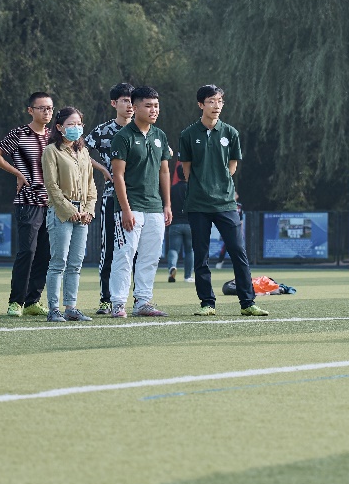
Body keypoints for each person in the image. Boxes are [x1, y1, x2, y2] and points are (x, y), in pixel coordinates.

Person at [179, 85, 267, 316]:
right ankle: (207, 303)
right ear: (201, 105)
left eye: (219, 101)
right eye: (211, 101)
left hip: (226, 203)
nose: (216, 105)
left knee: (238, 251)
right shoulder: (188, 135)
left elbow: (232, 167)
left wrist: (219, 184)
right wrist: (203, 185)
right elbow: (187, 171)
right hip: (198, 204)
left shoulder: (231, 133)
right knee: (201, 255)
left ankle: (247, 303)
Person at [0, 91, 55, 318]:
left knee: (45, 253)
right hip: (28, 201)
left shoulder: (54, 136)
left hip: (52, 203)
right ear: (30, 110)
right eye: (42, 108)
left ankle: (32, 301)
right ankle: (16, 301)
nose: (46, 112)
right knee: (27, 251)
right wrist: (17, 172)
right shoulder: (19, 134)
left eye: (50, 108)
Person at [107, 86, 172, 318]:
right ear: (135, 108)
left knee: (150, 257)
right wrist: (125, 209)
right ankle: (118, 303)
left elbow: (164, 172)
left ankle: (143, 302)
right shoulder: (123, 137)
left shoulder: (160, 135)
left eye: (156, 105)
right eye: (148, 105)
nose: (154, 110)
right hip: (130, 207)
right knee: (124, 255)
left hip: (154, 207)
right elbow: (118, 176)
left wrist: (167, 205)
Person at [41, 107, 96, 322]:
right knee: (58, 262)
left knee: (75, 263)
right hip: (61, 213)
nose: (76, 128)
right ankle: (53, 309)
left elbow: (91, 185)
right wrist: (70, 210)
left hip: (83, 213)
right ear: (59, 127)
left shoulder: (83, 152)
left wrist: (88, 210)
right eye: (71, 124)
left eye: (79, 124)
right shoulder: (51, 151)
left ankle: (71, 307)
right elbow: (51, 186)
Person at [85, 82, 133, 314]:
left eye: (132, 101)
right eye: (125, 100)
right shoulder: (103, 131)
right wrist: (102, 169)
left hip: (140, 198)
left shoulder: (144, 129)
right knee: (110, 249)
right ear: (114, 103)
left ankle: (138, 299)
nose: (130, 105)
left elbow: (166, 153)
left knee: (137, 252)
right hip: (111, 196)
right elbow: (78, 150)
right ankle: (106, 299)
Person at [166, 164, 194, 282]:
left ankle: (172, 267)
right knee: (189, 250)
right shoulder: (193, 188)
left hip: (175, 223)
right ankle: (188, 276)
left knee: (173, 249)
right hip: (190, 223)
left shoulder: (172, 189)